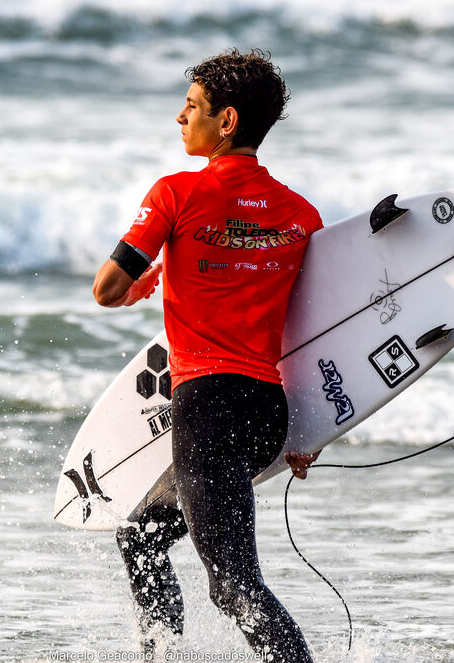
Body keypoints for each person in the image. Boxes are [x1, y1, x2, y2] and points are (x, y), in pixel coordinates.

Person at [92, 49, 323, 661]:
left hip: (209, 409)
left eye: (190, 106)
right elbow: (316, 331)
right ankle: (161, 657)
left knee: (234, 585)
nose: (178, 118)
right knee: (141, 535)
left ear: (226, 121)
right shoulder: (302, 215)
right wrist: (316, 430)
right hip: (269, 411)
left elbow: (106, 289)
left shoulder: (176, 193)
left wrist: (145, 279)